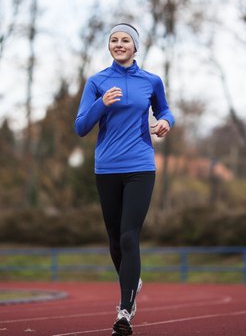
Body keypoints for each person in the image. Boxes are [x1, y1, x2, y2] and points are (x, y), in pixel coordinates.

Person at [74, 23, 175, 335]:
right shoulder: (97, 82)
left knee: (130, 236)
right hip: (106, 168)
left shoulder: (151, 81)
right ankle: (133, 279)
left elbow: (166, 111)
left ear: (135, 47)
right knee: (115, 240)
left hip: (140, 167)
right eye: (114, 40)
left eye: (125, 40)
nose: (119, 44)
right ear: (109, 47)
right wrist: (100, 104)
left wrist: (165, 124)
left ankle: (125, 311)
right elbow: (80, 126)